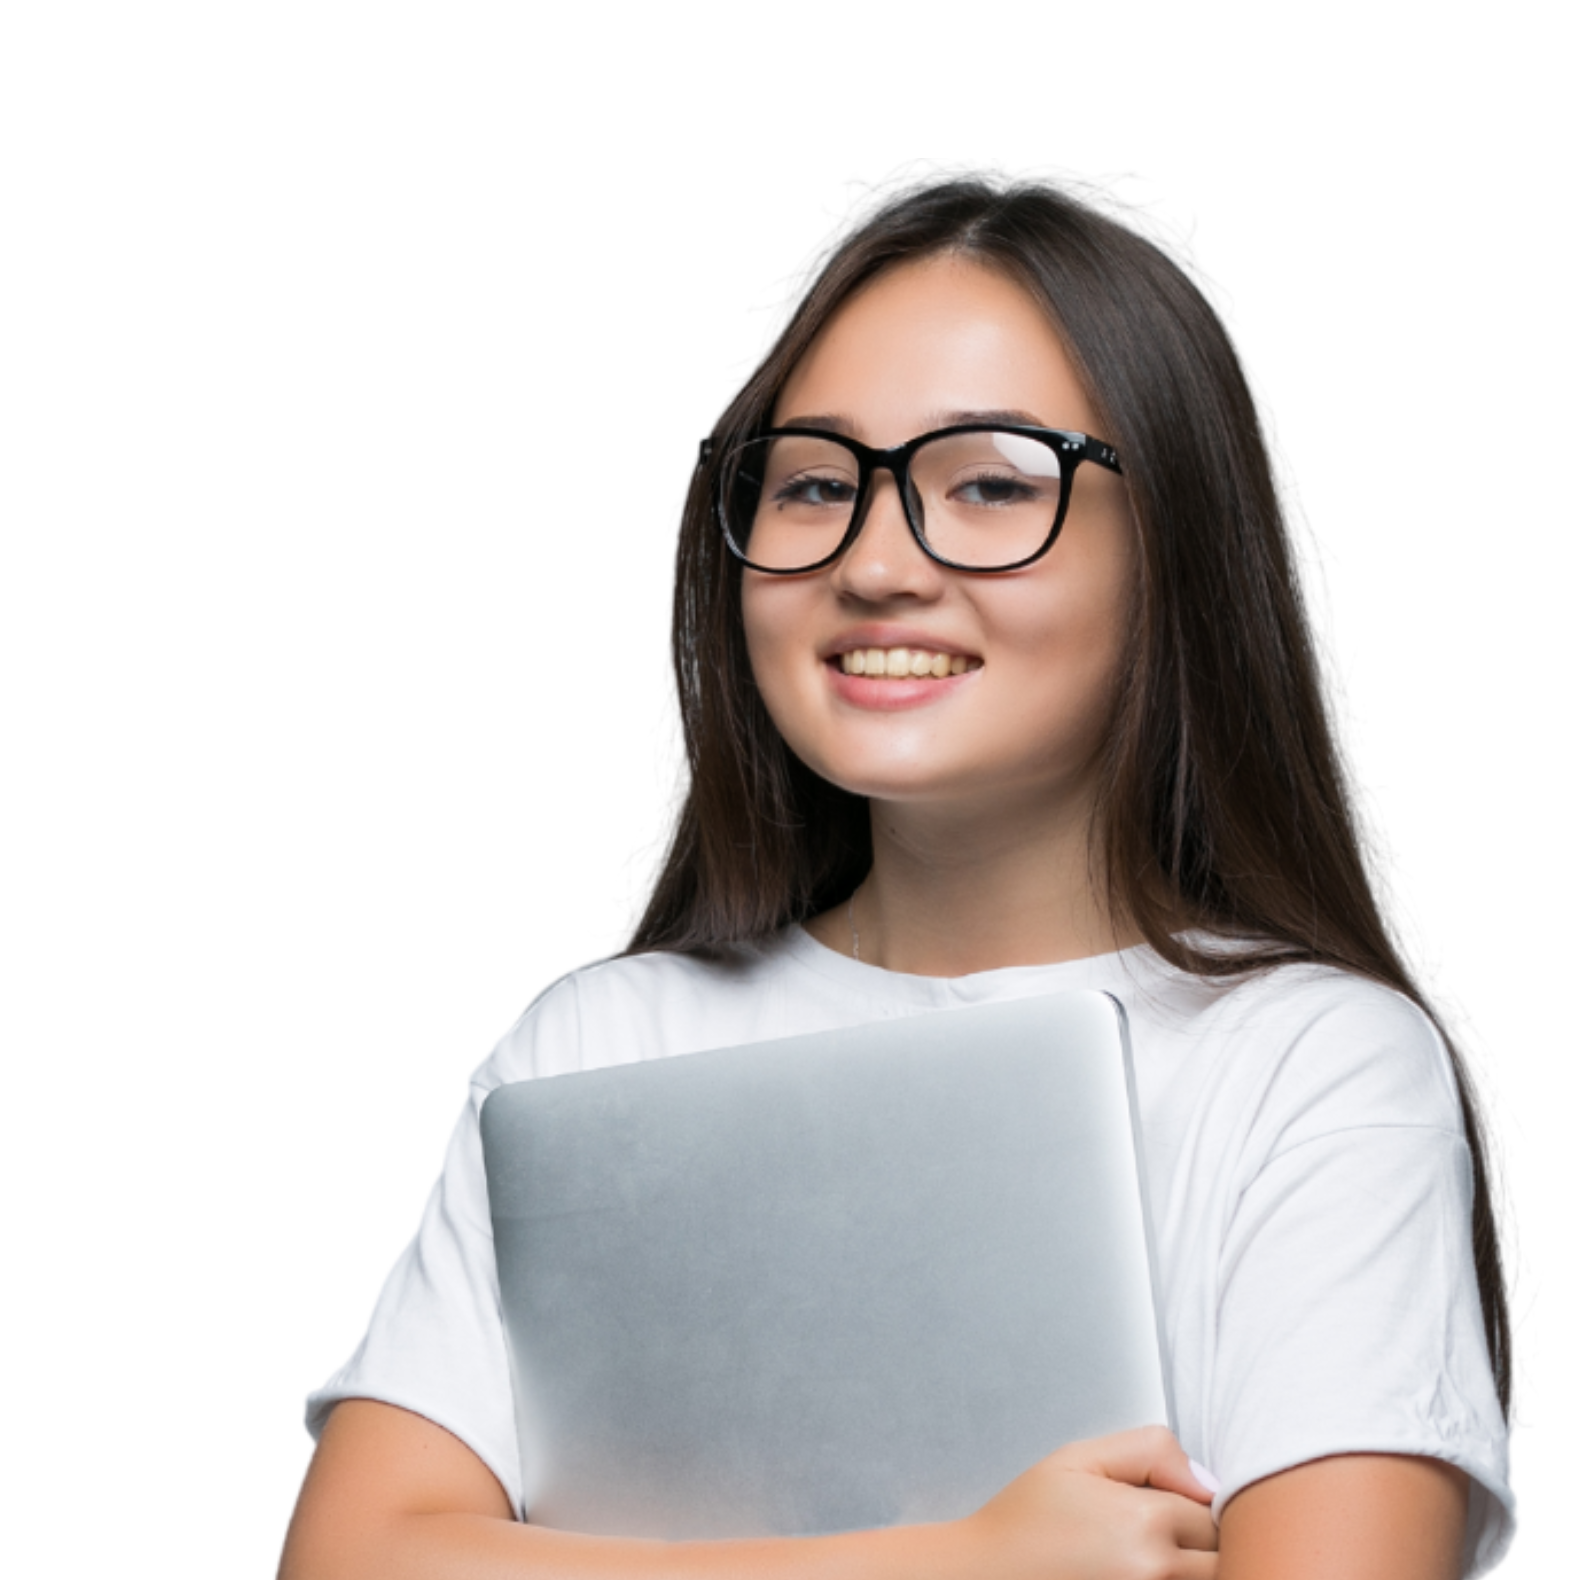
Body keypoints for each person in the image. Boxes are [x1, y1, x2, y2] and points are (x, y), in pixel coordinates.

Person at [276, 161, 1522, 1579]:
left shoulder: (1312, 1065)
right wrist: (959, 1557)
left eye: (989, 483)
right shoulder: (595, 1049)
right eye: (816, 483)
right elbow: (350, 1559)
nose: (875, 565)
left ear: (1175, 547)